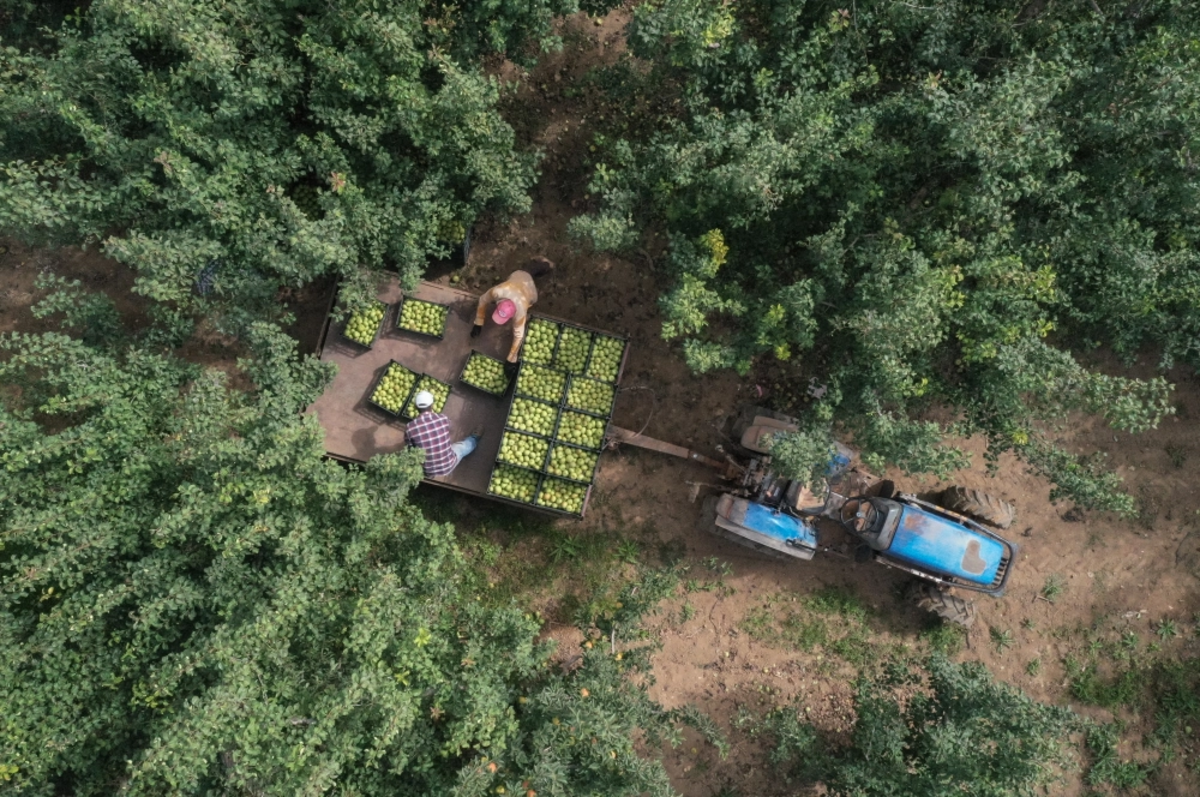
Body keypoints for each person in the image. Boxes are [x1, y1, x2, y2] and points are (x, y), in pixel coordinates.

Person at [471, 256, 555, 364]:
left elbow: (518, 335)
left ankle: (547, 264)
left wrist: (511, 359)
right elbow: (483, 300)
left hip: (528, 290)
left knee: (530, 275)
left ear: (513, 315)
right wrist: (478, 322)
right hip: (516, 277)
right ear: (499, 303)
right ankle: (535, 268)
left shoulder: (520, 312)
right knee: (523, 273)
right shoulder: (497, 292)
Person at [405, 390, 480, 477]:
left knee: (421, 456)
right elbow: (451, 428)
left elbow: (410, 448)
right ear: (432, 405)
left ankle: (430, 474)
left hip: (428, 471)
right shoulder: (442, 419)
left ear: (415, 406)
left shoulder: (409, 428)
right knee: (461, 448)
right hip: (448, 466)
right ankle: (475, 438)